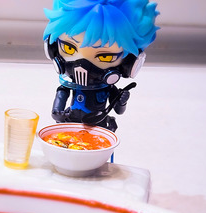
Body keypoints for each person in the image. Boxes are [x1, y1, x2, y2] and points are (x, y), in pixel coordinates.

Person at [43, 0, 159, 132]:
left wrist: (121, 101)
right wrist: (57, 113)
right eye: (69, 48)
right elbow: (58, 106)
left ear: (130, 63)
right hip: (71, 122)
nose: (83, 66)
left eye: (105, 57)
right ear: (51, 48)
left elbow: (119, 110)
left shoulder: (108, 88)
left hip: (98, 127)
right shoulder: (67, 86)